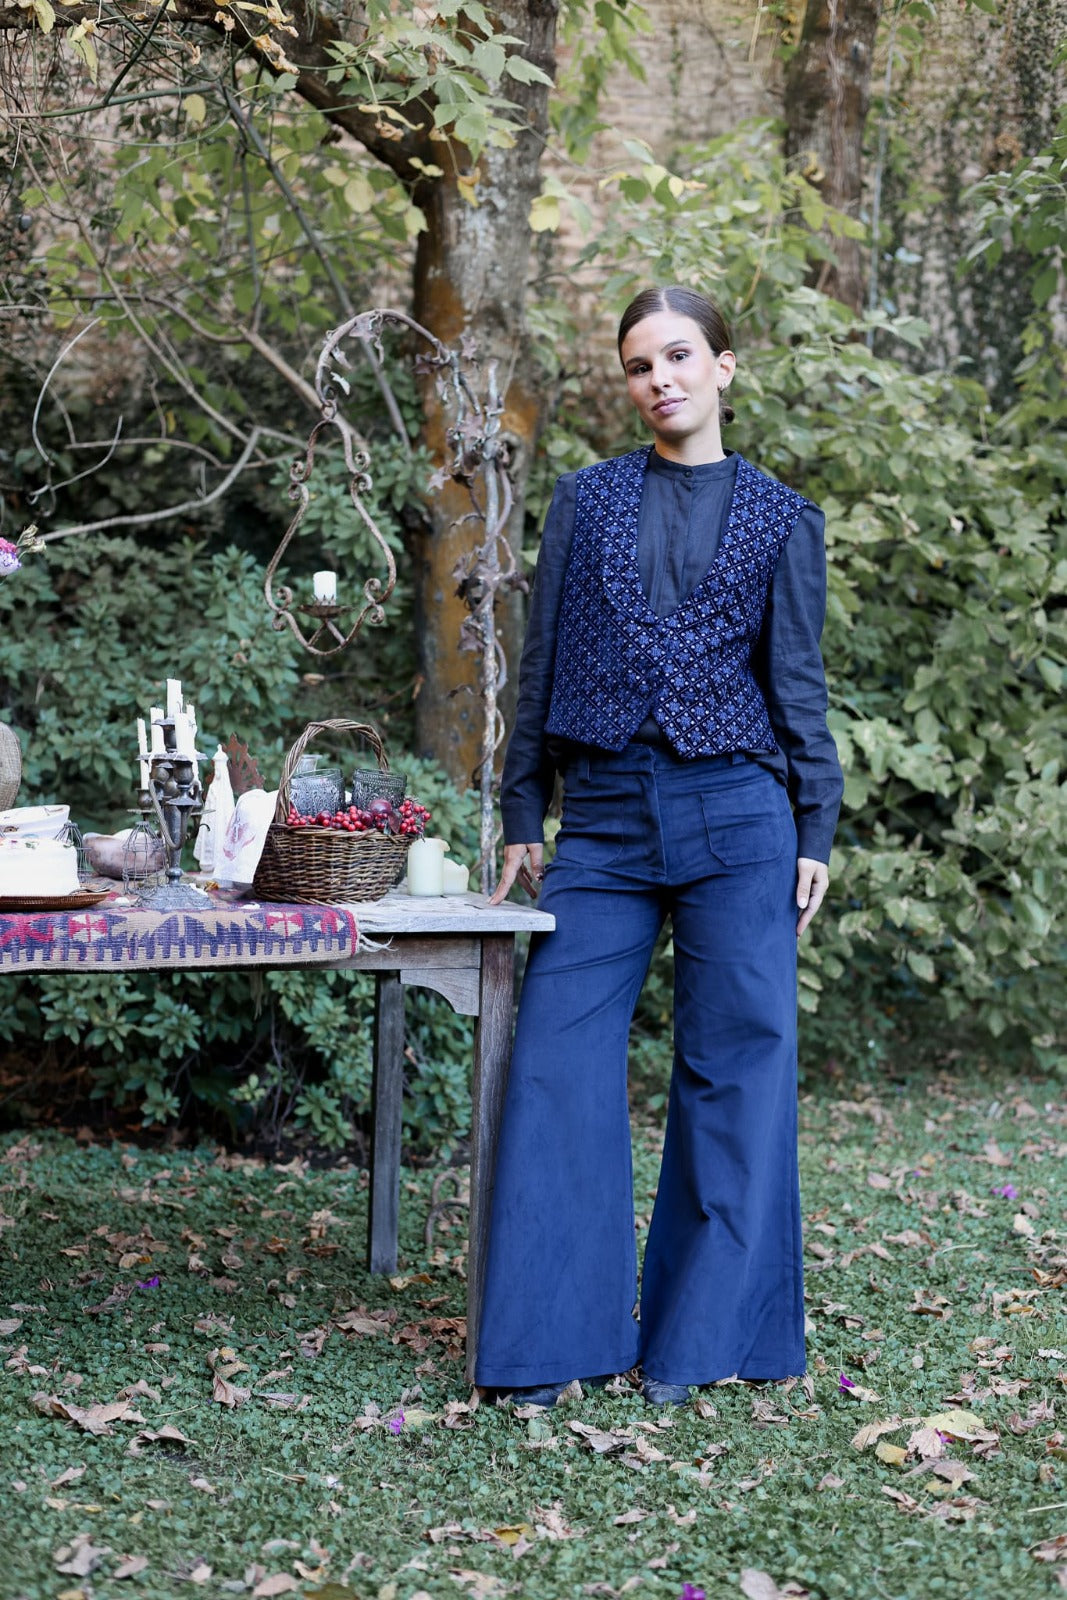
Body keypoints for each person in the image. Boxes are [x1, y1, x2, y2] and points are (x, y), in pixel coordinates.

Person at [475, 285, 843, 1408]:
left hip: (739, 816)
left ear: (723, 366)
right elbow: (540, 664)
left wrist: (815, 826)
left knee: (735, 1068)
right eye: (639, 365)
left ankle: (699, 1342)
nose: (659, 380)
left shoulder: (781, 517)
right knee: (556, 1059)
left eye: (678, 356)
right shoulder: (584, 502)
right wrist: (522, 810)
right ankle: (550, 1343)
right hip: (605, 819)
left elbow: (797, 685)